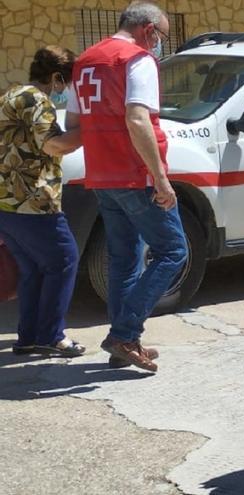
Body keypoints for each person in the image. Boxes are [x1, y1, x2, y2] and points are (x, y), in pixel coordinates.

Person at [66, 1, 186, 372]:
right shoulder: (136, 60)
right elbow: (138, 120)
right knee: (173, 252)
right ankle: (123, 332)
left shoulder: (85, 61)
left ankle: (125, 341)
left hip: (102, 175)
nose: (160, 44)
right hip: (136, 175)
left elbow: (74, 126)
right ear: (148, 30)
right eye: (162, 36)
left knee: (124, 258)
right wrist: (161, 178)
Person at [0, 46, 84, 357]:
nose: (67, 88)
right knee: (64, 260)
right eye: (68, 81)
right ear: (56, 77)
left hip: (7, 202)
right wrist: (92, 131)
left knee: (34, 269)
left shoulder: (13, 94)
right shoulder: (37, 100)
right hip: (33, 201)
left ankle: (29, 337)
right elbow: (54, 145)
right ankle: (51, 336)